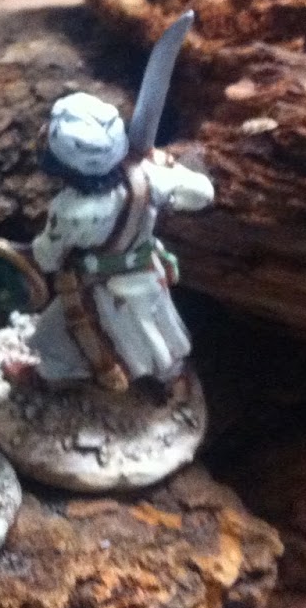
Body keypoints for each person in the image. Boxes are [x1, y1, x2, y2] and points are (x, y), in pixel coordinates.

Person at [28, 92, 213, 393]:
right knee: (157, 331)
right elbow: (203, 194)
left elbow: (48, 257)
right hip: (148, 272)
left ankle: (53, 378)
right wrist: (165, 166)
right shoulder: (150, 176)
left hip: (100, 285)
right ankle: (172, 379)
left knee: (52, 335)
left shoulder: (69, 210)